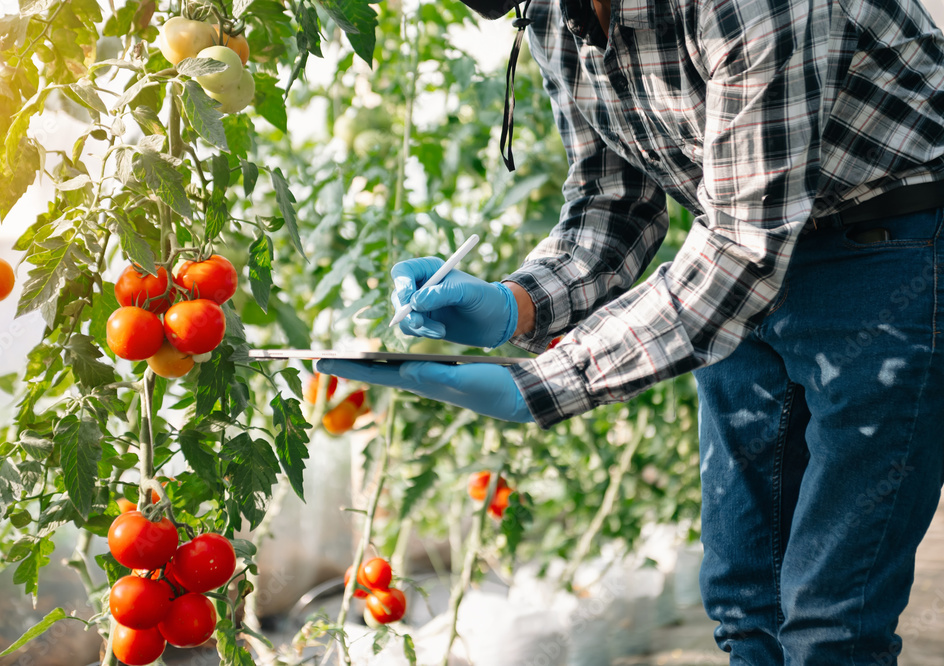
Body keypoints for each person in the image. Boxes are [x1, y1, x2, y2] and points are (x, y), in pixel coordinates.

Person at [318, 0, 944, 663]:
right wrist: (515, 304)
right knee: (743, 599)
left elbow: (743, 249)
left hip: (892, 247)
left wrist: (544, 383)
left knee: (831, 622)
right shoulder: (555, 16)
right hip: (735, 253)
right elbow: (614, 198)